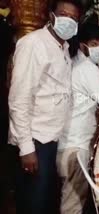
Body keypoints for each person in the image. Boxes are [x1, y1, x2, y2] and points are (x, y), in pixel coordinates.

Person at [8, 0, 81, 213]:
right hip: (34, 141)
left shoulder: (63, 47)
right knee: (33, 205)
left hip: (51, 140)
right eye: (63, 14)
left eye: (74, 18)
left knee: (47, 204)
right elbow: (19, 98)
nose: (68, 21)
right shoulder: (34, 44)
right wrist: (26, 148)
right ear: (51, 15)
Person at [57, 23, 99, 214]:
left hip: (67, 142)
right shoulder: (87, 68)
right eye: (94, 44)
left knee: (70, 198)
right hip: (76, 146)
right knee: (73, 204)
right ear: (82, 45)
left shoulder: (73, 63)